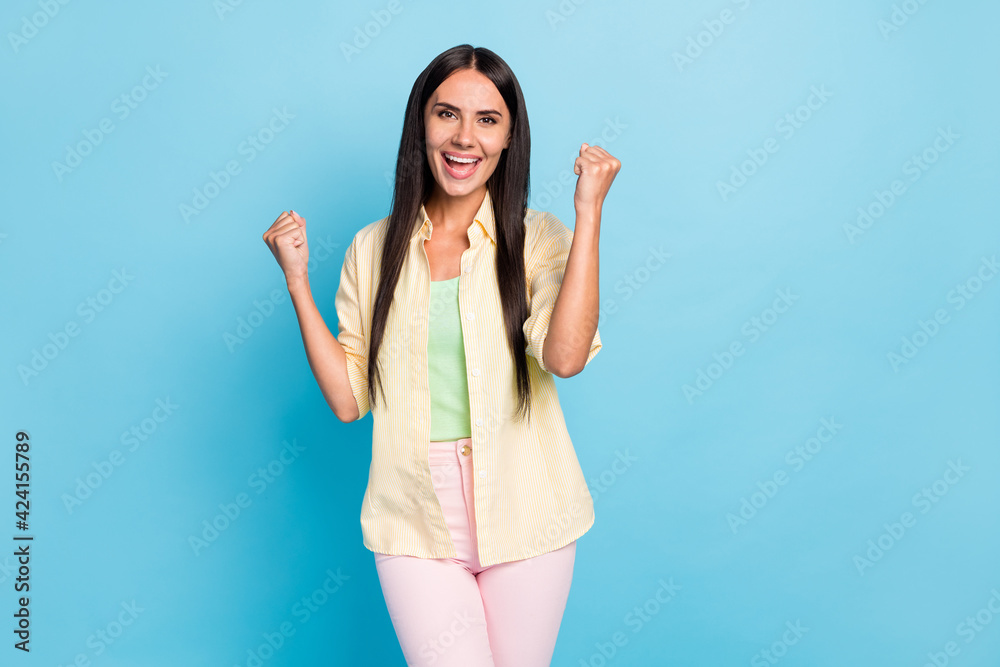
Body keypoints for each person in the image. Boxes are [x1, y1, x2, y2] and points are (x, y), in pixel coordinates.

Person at [262, 44, 620, 667]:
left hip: (527, 506)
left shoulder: (537, 240)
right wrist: (297, 281)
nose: (464, 137)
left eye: (487, 120)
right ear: (420, 125)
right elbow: (349, 401)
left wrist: (587, 212)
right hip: (414, 515)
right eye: (446, 114)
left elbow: (565, 358)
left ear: (510, 136)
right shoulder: (373, 250)